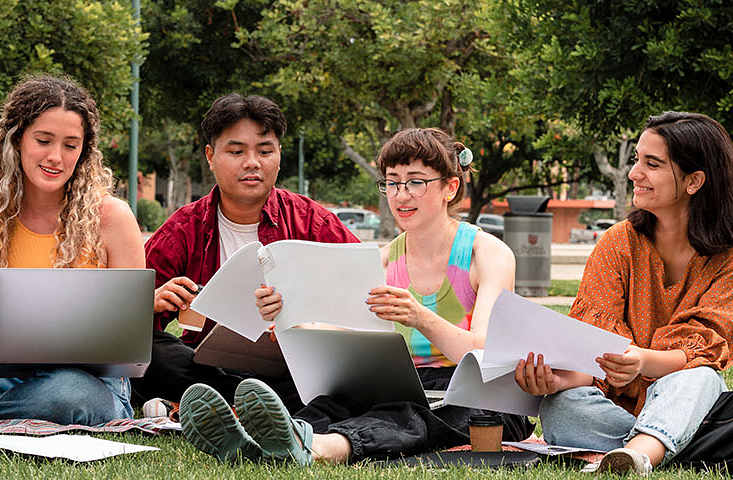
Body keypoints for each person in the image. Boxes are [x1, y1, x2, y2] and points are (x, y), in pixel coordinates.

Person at [177, 127, 533, 465]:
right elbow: (349, 342)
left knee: (414, 414)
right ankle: (254, 444)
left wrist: (419, 316)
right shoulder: (378, 260)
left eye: (415, 183)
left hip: (477, 394)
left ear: (450, 188)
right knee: (335, 403)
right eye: (392, 184)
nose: (401, 195)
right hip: (405, 385)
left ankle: (316, 446)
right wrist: (290, 322)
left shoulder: (487, 254)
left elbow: (483, 357)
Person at [515, 112, 733, 475]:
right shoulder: (617, 243)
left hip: (681, 391)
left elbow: (701, 351)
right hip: (616, 406)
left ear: (694, 181)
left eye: (651, 164)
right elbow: (591, 348)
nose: (634, 173)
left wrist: (641, 361)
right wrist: (559, 380)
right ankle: (666, 444)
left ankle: (641, 450)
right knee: (560, 407)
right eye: (636, 160)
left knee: (700, 377)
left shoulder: (732, 256)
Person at [131, 94, 358, 411]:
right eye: (236, 151)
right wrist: (152, 304)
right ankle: (254, 405)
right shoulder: (182, 230)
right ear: (211, 156)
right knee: (151, 354)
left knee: (332, 375)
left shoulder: (313, 223)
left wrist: (306, 317)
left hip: (293, 365)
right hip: (206, 367)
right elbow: (127, 329)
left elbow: (363, 298)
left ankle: (210, 406)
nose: (252, 162)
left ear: (279, 155)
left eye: (265, 151)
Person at [0, 75, 143, 425]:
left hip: (92, 382)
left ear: (84, 151)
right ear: (16, 141)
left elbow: (129, 340)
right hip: (4, 378)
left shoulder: (111, 218)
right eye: (43, 141)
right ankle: (0, 406)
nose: (56, 157)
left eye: (71, 145)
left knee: (66, 394)